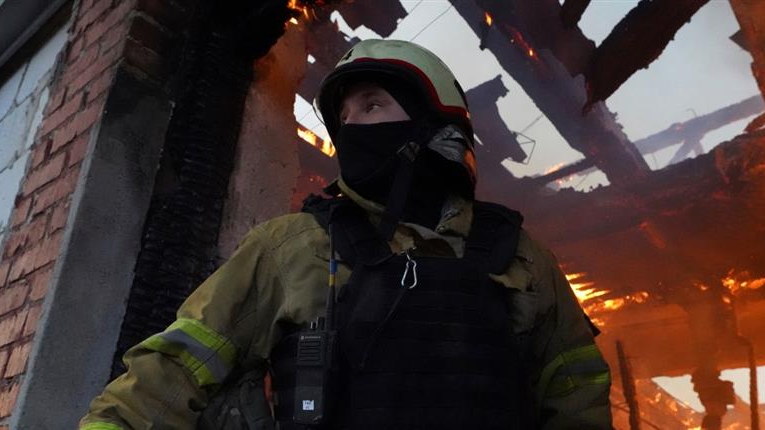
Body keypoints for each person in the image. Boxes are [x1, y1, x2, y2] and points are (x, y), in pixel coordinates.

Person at [80, 39, 611, 430]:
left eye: (372, 105)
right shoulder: (291, 246)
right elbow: (164, 379)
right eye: (344, 117)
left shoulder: (523, 261)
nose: (352, 127)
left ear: (432, 122)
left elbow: (579, 403)